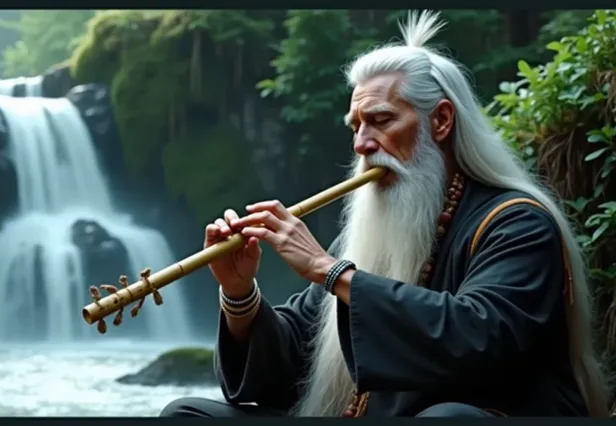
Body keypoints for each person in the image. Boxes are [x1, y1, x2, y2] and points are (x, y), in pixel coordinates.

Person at [160, 10, 609, 418]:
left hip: (486, 415)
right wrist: (239, 295)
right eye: (356, 127)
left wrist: (331, 271)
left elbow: (482, 342)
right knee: (188, 414)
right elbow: (293, 363)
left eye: (380, 120)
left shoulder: (518, 223)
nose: (361, 144)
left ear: (442, 122)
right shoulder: (366, 235)